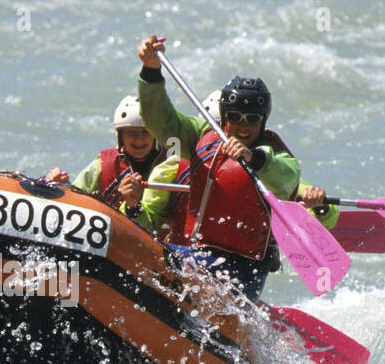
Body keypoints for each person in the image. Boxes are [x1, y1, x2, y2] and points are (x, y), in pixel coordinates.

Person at [135, 34, 338, 300]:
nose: (243, 125)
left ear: (263, 121)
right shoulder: (199, 136)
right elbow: (160, 121)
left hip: (245, 268)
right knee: (141, 254)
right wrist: (151, 72)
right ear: (224, 116)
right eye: (235, 117)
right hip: (198, 254)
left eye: (252, 119)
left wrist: (253, 158)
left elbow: (288, 178)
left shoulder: (273, 155)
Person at [63, 95, 186, 235]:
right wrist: (61, 186)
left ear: (155, 135)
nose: (139, 140)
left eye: (145, 132)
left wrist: (133, 206)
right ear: (120, 137)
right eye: (131, 133)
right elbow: (73, 196)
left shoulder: (173, 166)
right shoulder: (102, 166)